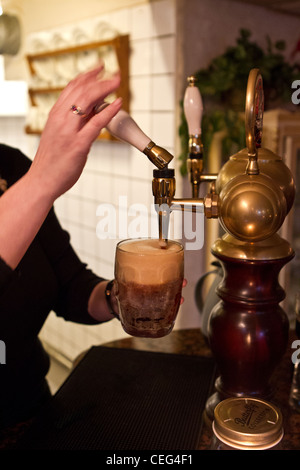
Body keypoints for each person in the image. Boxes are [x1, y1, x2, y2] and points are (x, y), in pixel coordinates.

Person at [0, 65, 124, 434]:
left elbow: (67, 283)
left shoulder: (11, 166)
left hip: (34, 412)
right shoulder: (32, 178)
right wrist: (42, 179)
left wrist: (120, 297)